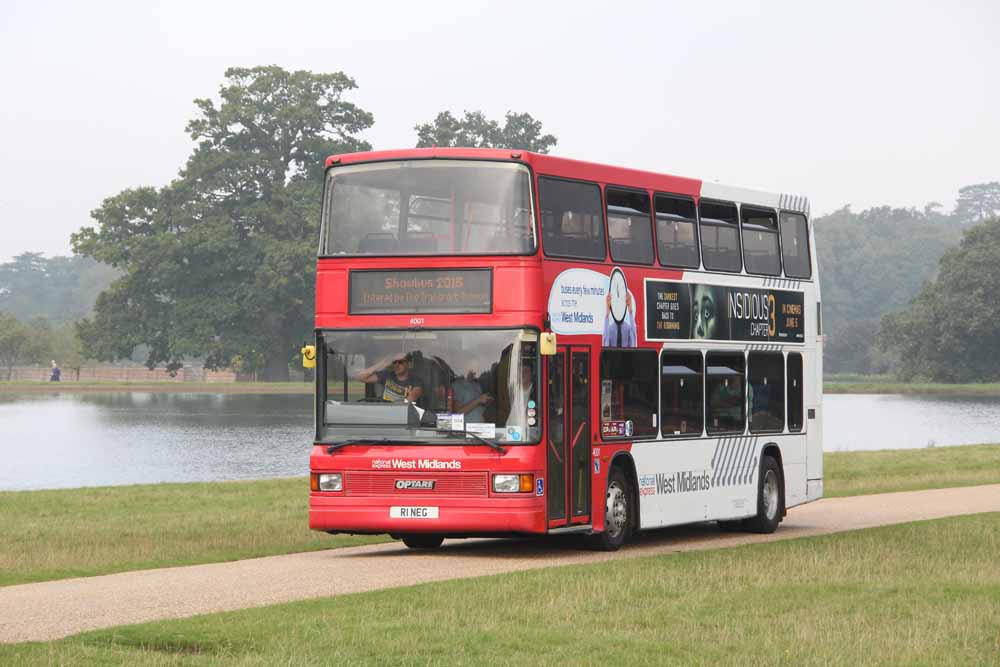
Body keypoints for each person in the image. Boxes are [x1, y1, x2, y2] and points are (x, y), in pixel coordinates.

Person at [357, 352, 424, 403]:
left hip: (401, 415)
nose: (397, 365)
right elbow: (361, 377)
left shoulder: (416, 381)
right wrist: (382, 363)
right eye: (394, 362)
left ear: (408, 364)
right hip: (384, 413)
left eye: (400, 362)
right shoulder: (387, 375)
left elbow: (412, 398)